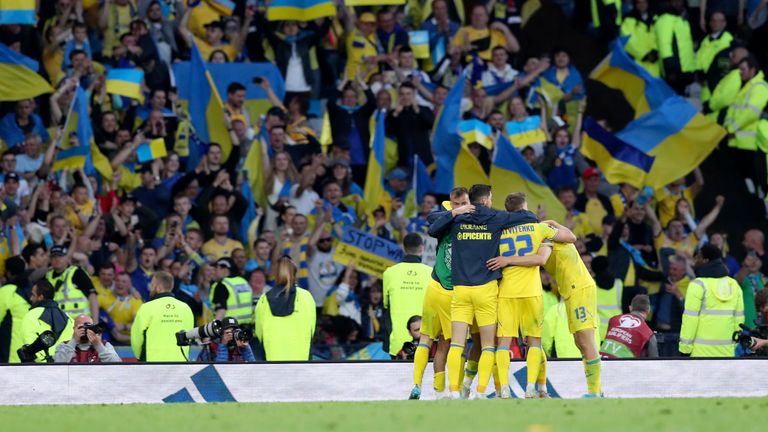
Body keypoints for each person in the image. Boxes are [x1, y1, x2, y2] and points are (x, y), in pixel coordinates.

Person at [428, 184, 537, 399]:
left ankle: (454, 391)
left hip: (461, 290)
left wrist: (455, 212)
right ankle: (479, 392)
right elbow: (530, 217)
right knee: (488, 346)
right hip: (485, 290)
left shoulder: (457, 219)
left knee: (457, 343)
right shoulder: (496, 217)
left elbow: (432, 227)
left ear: (470, 200)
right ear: (486, 200)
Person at [486, 193, 577, 399]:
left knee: (503, 342)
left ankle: (505, 389)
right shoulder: (540, 228)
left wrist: (507, 259)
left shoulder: (498, 232)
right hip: (532, 292)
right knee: (534, 342)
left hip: (506, 292)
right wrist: (552, 221)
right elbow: (571, 237)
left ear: (508, 211)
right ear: (525, 207)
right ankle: (530, 387)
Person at [410, 188, 470, 400]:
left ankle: (432, 390)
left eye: (463, 203)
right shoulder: (461, 216)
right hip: (447, 291)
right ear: (451, 202)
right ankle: (443, 390)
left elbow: (434, 219)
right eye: (456, 204)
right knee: (450, 345)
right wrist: (457, 212)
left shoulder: (466, 217)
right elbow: (431, 217)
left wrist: (455, 213)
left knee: (428, 341)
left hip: (437, 288)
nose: (459, 207)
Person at [679, 244, 745, 357]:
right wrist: (732, 345)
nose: (695, 260)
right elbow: (739, 320)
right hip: (726, 353)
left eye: (698, 257)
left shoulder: (697, 285)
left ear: (705, 260)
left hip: (699, 354)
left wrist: (685, 349)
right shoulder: (733, 285)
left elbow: (690, 320)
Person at [254, 257, 316, 361]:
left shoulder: (264, 299)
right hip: (301, 359)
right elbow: (312, 329)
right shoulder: (306, 296)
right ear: (295, 274)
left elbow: (259, 332)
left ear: (275, 275)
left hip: (272, 359)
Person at [383, 233, 432, 358]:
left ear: (403, 248)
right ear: (422, 248)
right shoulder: (431, 273)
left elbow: (386, 305)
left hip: (398, 344)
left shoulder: (389, 273)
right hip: (426, 342)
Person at [131, 271, 194, 362]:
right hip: (180, 363)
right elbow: (189, 336)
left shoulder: (147, 307)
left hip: (152, 365)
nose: (150, 288)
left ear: (158, 287)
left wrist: (140, 357)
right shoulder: (186, 308)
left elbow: (136, 338)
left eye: (152, 285)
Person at [20, 280, 73, 363]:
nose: (31, 298)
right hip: (65, 367)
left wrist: (47, 365)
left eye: (33, 295)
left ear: (40, 297)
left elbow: (30, 347)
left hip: (42, 369)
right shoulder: (68, 318)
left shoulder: (31, 315)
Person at [45, 245, 98, 319]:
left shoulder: (77, 272)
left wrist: (95, 323)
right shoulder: (47, 277)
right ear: (50, 260)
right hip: (60, 326)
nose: (57, 259)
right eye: (54, 257)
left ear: (67, 258)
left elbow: (92, 297)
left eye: (60, 256)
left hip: (81, 323)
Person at [54, 314, 121, 363]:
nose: (85, 330)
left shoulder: (105, 345)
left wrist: (98, 346)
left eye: (88, 326)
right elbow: (58, 365)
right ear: (74, 329)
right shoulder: (64, 345)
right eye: (80, 327)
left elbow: (118, 365)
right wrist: (74, 341)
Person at [0, 256, 31, 363]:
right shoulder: (33, 290)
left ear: (8, 273)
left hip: (11, 354)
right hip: (32, 352)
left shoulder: (6, 291)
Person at [210, 257, 253, 326]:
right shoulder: (243, 282)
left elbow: (221, 311)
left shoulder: (221, 285)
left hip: (229, 329)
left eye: (216, 269)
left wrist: (213, 329)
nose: (214, 272)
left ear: (224, 270)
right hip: (247, 329)